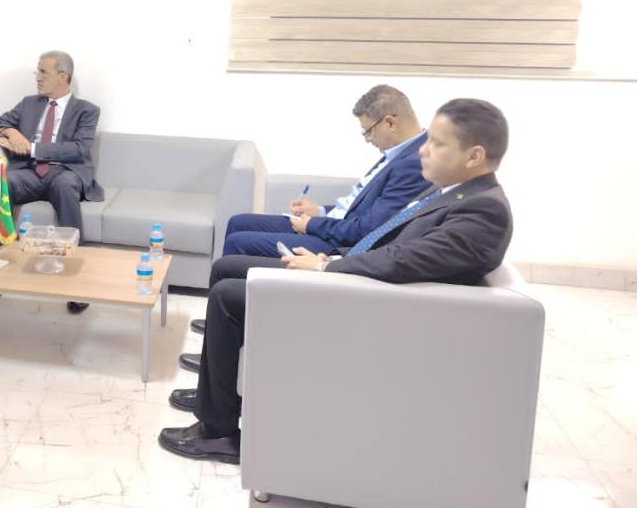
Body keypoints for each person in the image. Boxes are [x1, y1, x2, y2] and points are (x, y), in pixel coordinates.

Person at [159, 98, 514, 464]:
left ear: (474, 156)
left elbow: (404, 261)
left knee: (227, 295)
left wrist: (324, 268)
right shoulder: (450, 193)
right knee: (228, 268)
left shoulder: (483, 212)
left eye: (437, 143)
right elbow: (393, 248)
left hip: (363, 307)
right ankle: (217, 395)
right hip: (356, 281)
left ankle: (218, 432)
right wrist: (333, 261)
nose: (423, 148)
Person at [184, 85, 430, 353]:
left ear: (390, 123)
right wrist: (320, 211)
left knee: (238, 242)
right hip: (333, 225)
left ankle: (230, 327)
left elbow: (368, 228)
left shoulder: (413, 163)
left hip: (337, 243)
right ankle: (220, 326)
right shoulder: (399, 153)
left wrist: (313, 225)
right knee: (238, 222)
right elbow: (361, 208)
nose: (367, 139)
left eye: (368, 131)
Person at [0, 50, 103, 312]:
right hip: (30, 173)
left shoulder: (87, 110)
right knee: (3, 182)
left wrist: (32, 148)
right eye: (38, 72)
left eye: (43, 72)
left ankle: (75, 280)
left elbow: (78, 149)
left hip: (64, 171)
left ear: (63, 76)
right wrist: (9, 131)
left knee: (64, 185)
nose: (38, 77)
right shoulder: (29, 104)